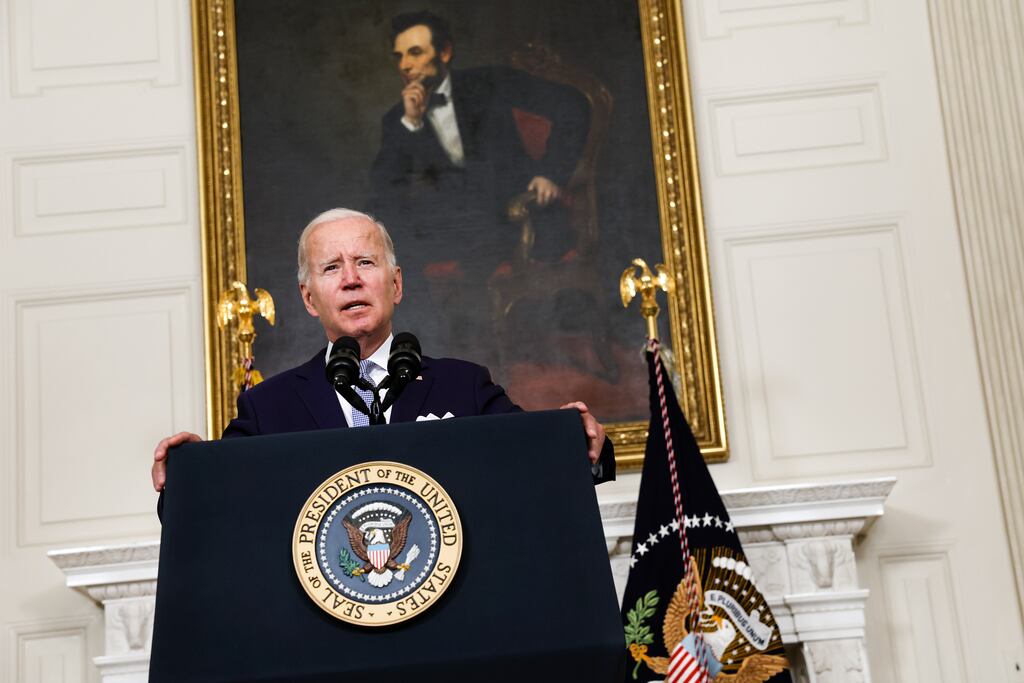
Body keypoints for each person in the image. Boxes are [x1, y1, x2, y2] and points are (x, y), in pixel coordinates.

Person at [151, 208, 614, 493]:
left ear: (395, 285)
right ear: (309, 299)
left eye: (365, 262)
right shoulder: (267, 407)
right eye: (332, 267)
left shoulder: (463, 386)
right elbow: (213, 497)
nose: (351, 278)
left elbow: (535, 458)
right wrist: (188, 471)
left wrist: (582, 442)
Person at [365, 10, 590, 358]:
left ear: (444, 52)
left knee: (470, 258)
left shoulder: (491, 83)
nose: (405, 65)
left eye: (415, 52)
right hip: (454, 229)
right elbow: (382, 190)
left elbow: (573, 105)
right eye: (400, 56)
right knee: (394, 254)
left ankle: (482, 363)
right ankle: (429, 355)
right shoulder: (398, 118)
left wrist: (550, 172)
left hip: (516, 217)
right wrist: (411, 124)